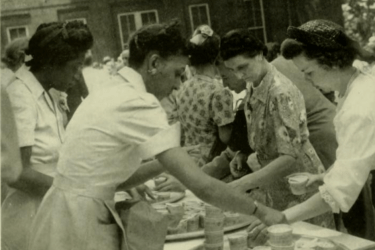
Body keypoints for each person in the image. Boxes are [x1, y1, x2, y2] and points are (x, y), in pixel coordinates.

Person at [28, 21, 286, 250]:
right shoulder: (137, 100)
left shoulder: (113, 88)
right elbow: (201, 185)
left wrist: (162, 165)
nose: (177, 84)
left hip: (63, 212)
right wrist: (260, 211)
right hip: (81, 221)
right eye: (176, 73)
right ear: (154, 63)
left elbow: (111, 179)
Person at [250, 19, 375, 242]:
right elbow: (358, 155)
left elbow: (340, 189)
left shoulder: (359, 105)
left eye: (308, 72)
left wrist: (283, 217)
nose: (306, 80)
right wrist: (322, 177)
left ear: (332, 61)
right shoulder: (352, 80)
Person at [220, 29, 334, 227]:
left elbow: (289, 157)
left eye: (242, 67)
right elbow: (264, 131)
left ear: (259, 55)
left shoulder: (280, 92)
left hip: (299, 184)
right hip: (275, 182)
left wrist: (244, 183)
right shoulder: (255, 83)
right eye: (233, 70)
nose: (239, 75)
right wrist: (242, 155)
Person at [2, 21, 93, 250]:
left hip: (50, 215)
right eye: (74, 67)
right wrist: (74, 193)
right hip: (30, 222)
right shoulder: (21, 96)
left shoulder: (48, 91)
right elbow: (17, 173)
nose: (77, 75)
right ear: (52, 64)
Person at [176, 24, 234, 167]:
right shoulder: (219, 91)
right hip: (210, 162)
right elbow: (226, 137)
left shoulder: (182, 88)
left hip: (188, 159)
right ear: (216, 56)